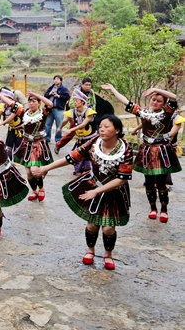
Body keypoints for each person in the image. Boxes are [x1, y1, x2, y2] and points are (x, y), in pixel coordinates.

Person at [33, 115, 132, 270]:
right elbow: (71, 157)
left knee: (108, 228)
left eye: (107, 127)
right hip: (92, 184)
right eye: (100, 127)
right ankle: (90, 251)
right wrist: (46, 168)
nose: (102, 129)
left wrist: (97, 191)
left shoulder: (126, 149)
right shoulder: (94, 143)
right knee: (92, 225)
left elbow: (122, 179)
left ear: (117, 130)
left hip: (113, 191)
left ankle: (108, 254)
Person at [102, 84, 181, 223]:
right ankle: (152, 208)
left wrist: (156, 90)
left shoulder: (167, 112)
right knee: (149, 183)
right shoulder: (144, 112)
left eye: (159, 100)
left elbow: (174, 97)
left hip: (161, 150)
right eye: (153, 99)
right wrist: (113, 89)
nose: (155, 102)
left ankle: (164, 209)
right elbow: (125, 101)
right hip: (147, 150)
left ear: (163, 104)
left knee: (161, 183)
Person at [0, 89, 54, 201]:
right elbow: (11, 104)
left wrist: (35, 93)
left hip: (38, 143)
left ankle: (41, 188)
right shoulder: (24, 113)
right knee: (29, 173)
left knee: (35, 170)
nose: (31, 103)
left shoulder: (43, 113)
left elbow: (50, 104)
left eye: (34, 101)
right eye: (30, 101)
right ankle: (34, 191)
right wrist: (1, 95)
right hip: (26, 143)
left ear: (39, 103)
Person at [54, 89, 97, 175]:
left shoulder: (89, 112)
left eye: (77, 101)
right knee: (77, 153)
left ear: (82, 102)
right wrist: (60, 127)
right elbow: (65, 121)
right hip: (80, 138)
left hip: (90, 139)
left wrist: (70, 130)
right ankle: (78, 170)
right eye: (74, 101)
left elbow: (83, 124)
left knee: (88, 155)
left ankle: (87, 171)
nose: (75, 103)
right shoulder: (72, 112)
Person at [0, 88, 23, 160]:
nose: (1, 99)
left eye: (3, 97)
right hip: (11, 129)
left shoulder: (17, 105)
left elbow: (11, 117)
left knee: (18, 147)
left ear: (9, 98)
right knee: (8, 146)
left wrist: (0, 124)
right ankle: (9, 161)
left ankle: (17, 163)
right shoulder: (4, 106)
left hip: (20, 130)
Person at [43, 75, 70, 143]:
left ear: (60, 81)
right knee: (47, 124)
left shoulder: (64, 88)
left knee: (59, 125)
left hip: (59, 109)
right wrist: (49, 93)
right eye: (55, 79)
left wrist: (58, 96)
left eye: (58, 79)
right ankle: (47, 138)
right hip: (49, 109)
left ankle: (58, 139)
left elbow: (67, 97)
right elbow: (45, 96)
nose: (56, 80)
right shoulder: (51, 88)